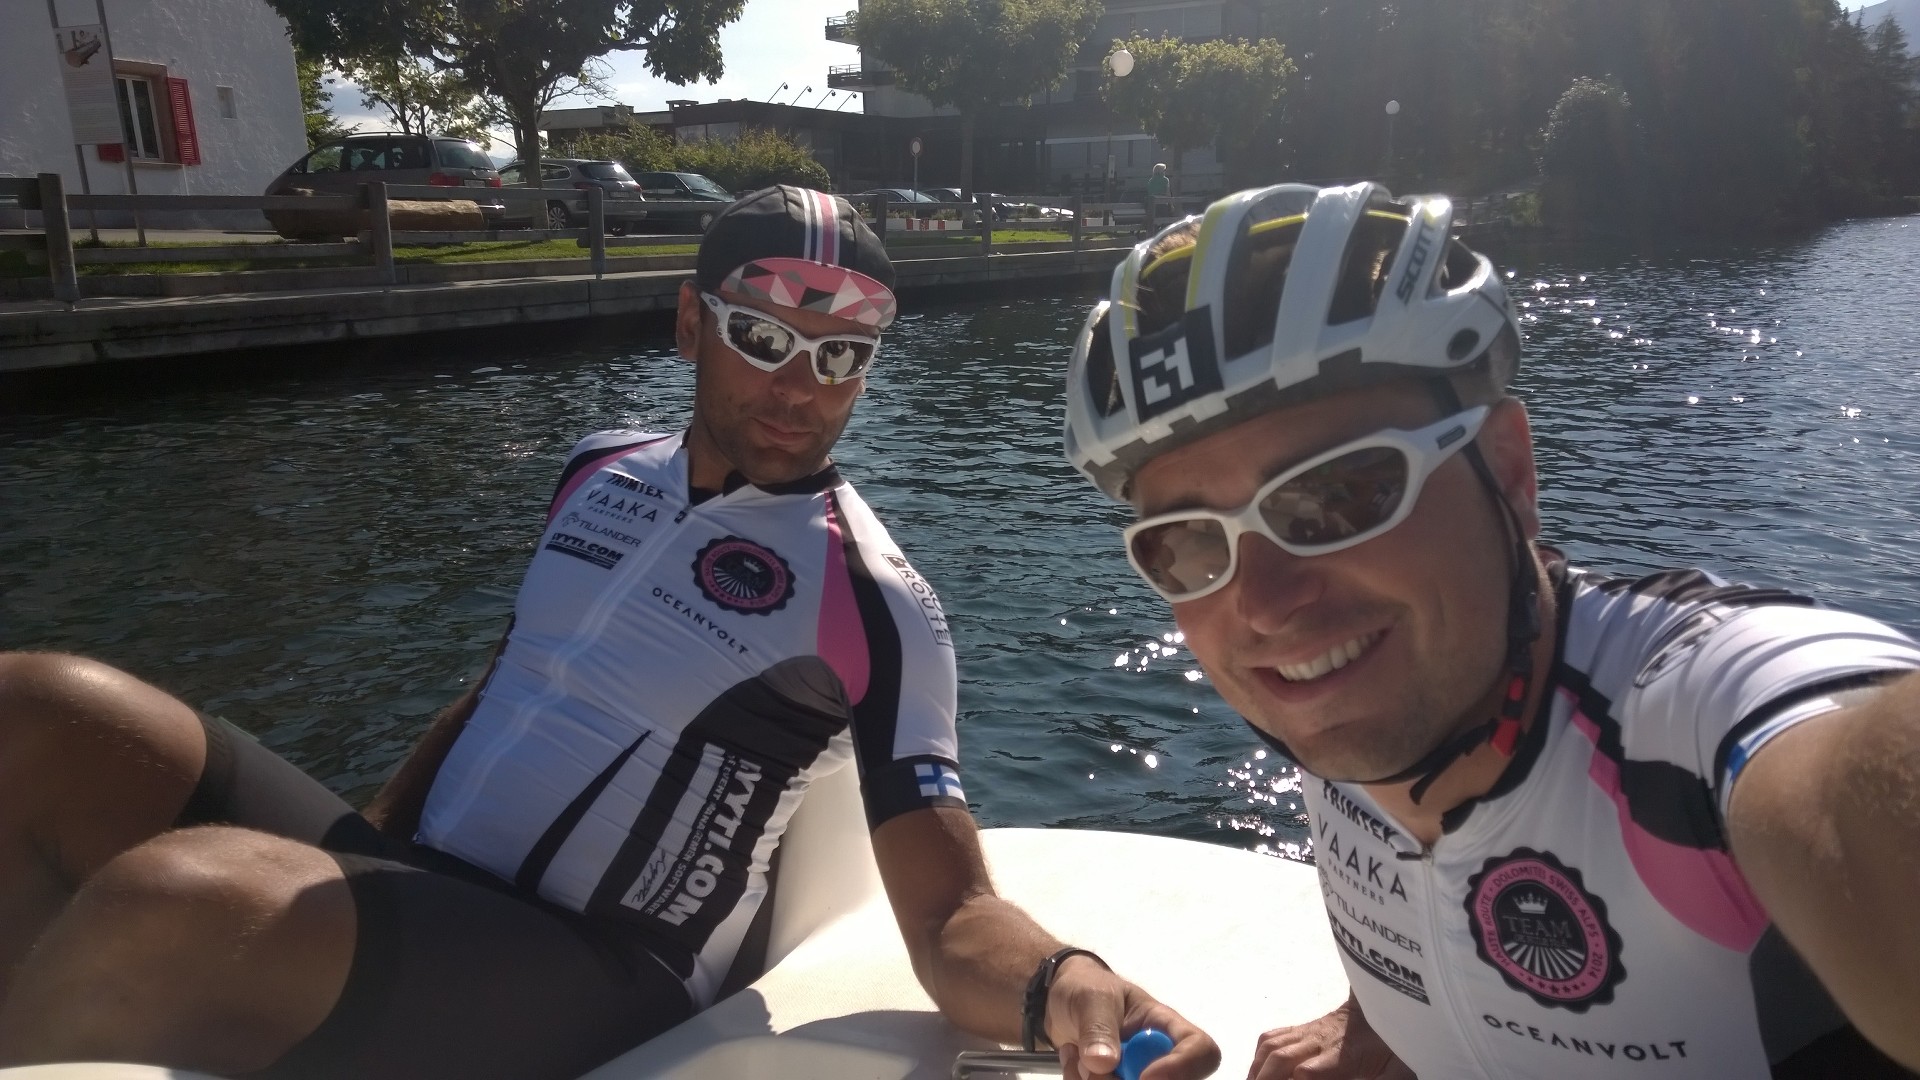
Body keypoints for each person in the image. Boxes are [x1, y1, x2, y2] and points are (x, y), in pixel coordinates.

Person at [0, 186, 1219, 1080]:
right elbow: (506, 684)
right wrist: (358, 856)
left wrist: (1063, 980)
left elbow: (950, 914)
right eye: (765, 340)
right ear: (690, 324)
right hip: (425, 894)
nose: (800, 387)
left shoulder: (874, 599)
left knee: (174, 899)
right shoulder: (597, 466)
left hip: (601, 973)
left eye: (842, 357)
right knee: (35, 708)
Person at [1061, 181, 1920, 1078]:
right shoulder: (1358, 702)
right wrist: (1381, 1013)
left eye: (1336, 496)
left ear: (1508, 471)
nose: (1266, 603)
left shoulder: (1691, 731)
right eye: (1191, 543)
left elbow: (1848, 782)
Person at [1146, 163, 1172, 231]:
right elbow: (1168, 193)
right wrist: (1171, 203)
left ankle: (1154, 233)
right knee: (1165, 221)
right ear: (1161, 171)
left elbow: (1149, 192)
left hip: (1153, 204)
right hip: (1162, 203)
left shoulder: (1151, 181)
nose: (1165, 171)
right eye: (1164, 170)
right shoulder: (1165, 180)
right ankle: (1163, 234)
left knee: (1154, 221)